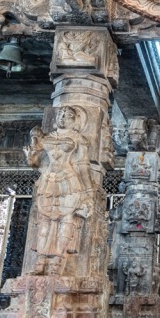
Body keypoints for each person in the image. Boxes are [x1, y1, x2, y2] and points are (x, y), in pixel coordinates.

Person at [24, 105, 92, 276]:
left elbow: (82, 166)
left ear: (75, 120)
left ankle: (57, 260)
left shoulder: (78, 139)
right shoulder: (46, 137)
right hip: (48, 180)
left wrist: (88, 192)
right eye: (61, 114)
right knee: (43, 223)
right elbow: (36, 162)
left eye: (68, 115)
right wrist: (33, 146)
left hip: (69, 181)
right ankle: (40, 260)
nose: (63, 118)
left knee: (66, 220)